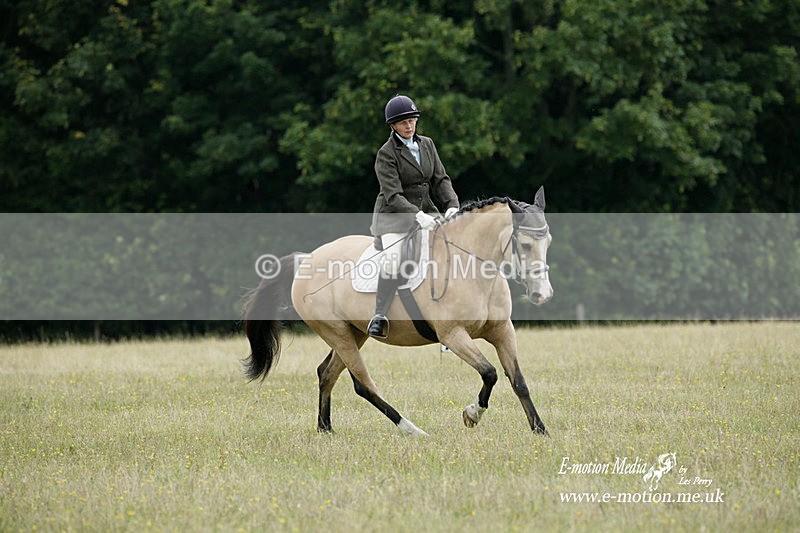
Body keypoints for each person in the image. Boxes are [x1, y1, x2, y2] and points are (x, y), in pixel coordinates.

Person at [368, 94, 460, 339]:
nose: (409, 126)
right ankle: (379, 315)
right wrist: (418, 216)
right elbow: (393, 195)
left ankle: (449, 314)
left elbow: (441, 179)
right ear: (392, 126)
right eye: (403, 123)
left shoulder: (427, 144)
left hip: (428, 212)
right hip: (394, 217)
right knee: (393, 258)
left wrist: (451, 205)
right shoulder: (386, 154)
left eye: (412, 120)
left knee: (450, 250)